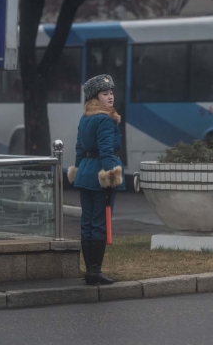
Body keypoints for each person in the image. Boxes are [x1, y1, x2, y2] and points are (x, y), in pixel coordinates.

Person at [67, 74, 125, 285]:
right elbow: (107, 152)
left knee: (88, 223)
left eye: (111, 93)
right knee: (99, 223)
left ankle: (90, 270)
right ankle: (95, 271)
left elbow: (80, 148)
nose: (110, 97)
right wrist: (111, 177)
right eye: (105, 93)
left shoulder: (86, 117)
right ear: (95, 96)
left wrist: (78, 169)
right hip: (101, 174)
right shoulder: (105, 119)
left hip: (86, 173)